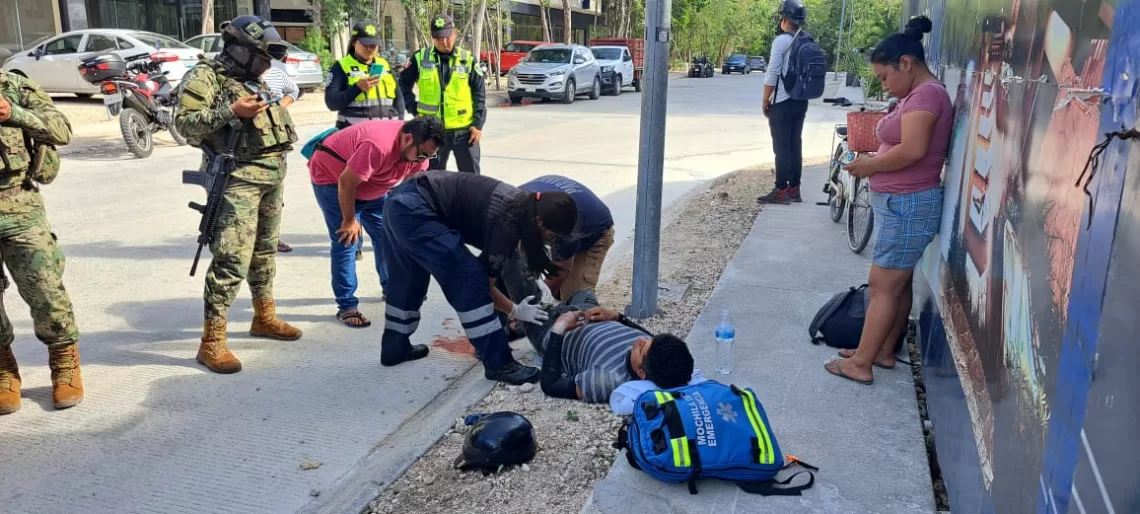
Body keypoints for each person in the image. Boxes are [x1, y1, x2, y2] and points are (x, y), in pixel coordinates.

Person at [826, 16, 950, 385]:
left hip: (909, 204)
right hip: (901, 203)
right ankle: (881, 350)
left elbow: (913, 150)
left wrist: (870, 166)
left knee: (882, 287)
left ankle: (861, 363)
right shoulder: (915, 94)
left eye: (884, 76)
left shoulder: (927, 95)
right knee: (898, 284)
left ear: (906, 64)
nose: (884, 84)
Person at [175, 15, 301, 375]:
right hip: (237, 182)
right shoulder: (207, 78)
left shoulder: (254, 79)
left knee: (264, 252)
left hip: (271, 177)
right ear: (237, 49)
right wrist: (231, 110)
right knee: (231, 259)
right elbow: (183, 124)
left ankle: (264, 317)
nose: (268, 63)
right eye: (262, 55)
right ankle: (211, 342)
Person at [380, 171, 578, 385]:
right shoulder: (508, 225)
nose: (551, 241)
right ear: (539, 221)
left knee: (407, 279)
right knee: (469, 280)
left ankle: (394, 348)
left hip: (401, 202)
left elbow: (500, 265)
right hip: (417, 211)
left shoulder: (523, 204)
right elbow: (486, 286)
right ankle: (499, 364)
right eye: (551, 235)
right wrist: (515, 310)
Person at [308, 116, 445, 328]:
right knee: (347, 241)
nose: (422, 160)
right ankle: (347, 306)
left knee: (389, 236)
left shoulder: (420, 159)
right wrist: (349, 219)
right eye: (421, 154)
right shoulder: (378, 146)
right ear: (408, 139)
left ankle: (392, 288)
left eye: (428, 156)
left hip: (372, 187)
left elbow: (405, 193)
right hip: (334, 180)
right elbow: (347, 181)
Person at [0, 70, 83, 414]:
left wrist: (12, 113)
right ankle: (4, 370)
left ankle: (65, 362)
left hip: (19, 205)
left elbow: (61, 130)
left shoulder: (14, 86)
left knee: (45, 290)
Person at [518, 290, 695, 404]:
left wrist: (559, 328)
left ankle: (514, 324)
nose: (641, 339)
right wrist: (618, 318)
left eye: (641, 348)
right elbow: (648, 338)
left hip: (552, 331)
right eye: (649, 339)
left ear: (641, 373)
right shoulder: (655, 353)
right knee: (582, 292)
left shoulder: (606, 380)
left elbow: (551, 386)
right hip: (586, 313)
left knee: (523, 297)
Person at [400, 14, 487, 175]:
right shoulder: (420, 58)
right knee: (432, 178)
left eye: (447, 37)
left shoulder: (468, 59)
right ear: (432, 37)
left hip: (465, 132)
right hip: (431, 132)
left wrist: (478, 124)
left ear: (455, 33)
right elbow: (403, 85)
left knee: (471, 179)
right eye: (439, 38)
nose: (444, 42)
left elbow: (479, 93)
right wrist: (413, 107)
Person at [518, 175, 614, 300]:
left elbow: (561, 269)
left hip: (595, 232)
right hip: (565, 211)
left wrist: (541, 300)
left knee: (575, 301)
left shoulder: (565, 224)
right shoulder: (515, 207)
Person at [757, 0, 811, 205]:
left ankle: (780, 191)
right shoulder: (808, 40)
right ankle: (794, 189)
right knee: (795, 144)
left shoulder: (781, 41)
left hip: (783, 102)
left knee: (781, 147)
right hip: (801, 101)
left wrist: (765, 98)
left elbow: (772, 72)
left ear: (785, 19)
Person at [325, 21, 405, 128]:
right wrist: (357, 88)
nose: (370, 48)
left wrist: (400, 123)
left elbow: (399, 98)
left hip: (387, 132)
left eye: (373, 45)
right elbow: (332, 103)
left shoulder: (384, 64)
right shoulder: (341, 66)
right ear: (354, 42)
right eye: (365, 44)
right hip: (355, 135)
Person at [264, 58, 300, 254]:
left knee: (274, 196)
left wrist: (280, 107)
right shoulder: (235, 77)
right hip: (244, 148)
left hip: (275, 144)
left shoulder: (276, 73)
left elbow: (294, 90)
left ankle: (272, 238)